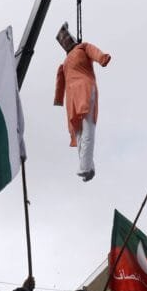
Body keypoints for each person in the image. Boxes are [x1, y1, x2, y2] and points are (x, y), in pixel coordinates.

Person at [53, 22, 111, 182]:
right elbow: (60, 82)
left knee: (83, 130)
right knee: (82, 130)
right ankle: (87, 166)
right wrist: (58, 98)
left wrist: (102, 58)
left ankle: (85, 166)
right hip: (77, 95)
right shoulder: (66, 62)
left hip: (80, 93)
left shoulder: (81, 49)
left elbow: (94, 52)